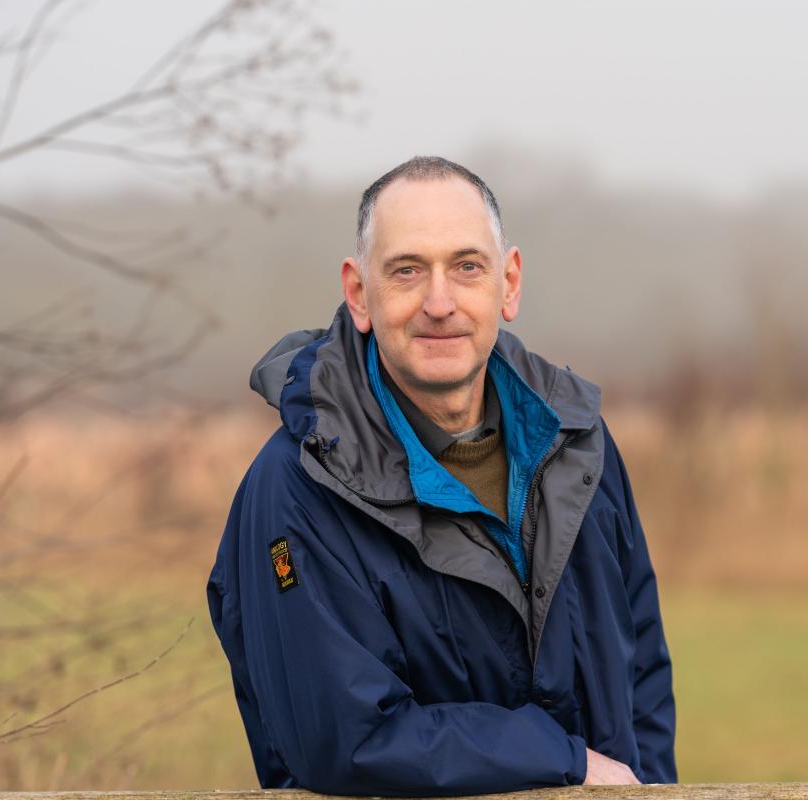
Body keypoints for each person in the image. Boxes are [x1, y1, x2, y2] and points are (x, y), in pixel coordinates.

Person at [206, 156, 676, 795]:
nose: (439, 302)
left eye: (466, 267)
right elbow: (344, 740)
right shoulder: (295, 489)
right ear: (358, 292)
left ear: (507, 283)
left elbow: (641, 665)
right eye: (406, 271)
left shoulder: (577, 442)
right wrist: (560, 757)